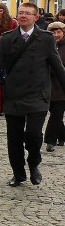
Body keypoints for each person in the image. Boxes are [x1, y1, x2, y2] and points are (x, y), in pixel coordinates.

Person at [0, 2, 65, 187]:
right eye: (20, 13)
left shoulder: (46, 39)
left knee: (34, 135)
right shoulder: (7, 38)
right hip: (14, 95)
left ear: (36, 17)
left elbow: (58, 67)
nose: (23, 16)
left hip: (38, 95)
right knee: (15, 138)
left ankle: (34, 163)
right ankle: (18, 173)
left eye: (27, 13)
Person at [43, 21, 65, 151]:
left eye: (58, 32)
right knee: (54, 113)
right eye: (53, 32)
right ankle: (62, 135)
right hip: (47, 86)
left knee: (56, 115)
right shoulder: (45, 45)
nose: (56, 35)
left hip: (62, 86)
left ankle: (50, 141)